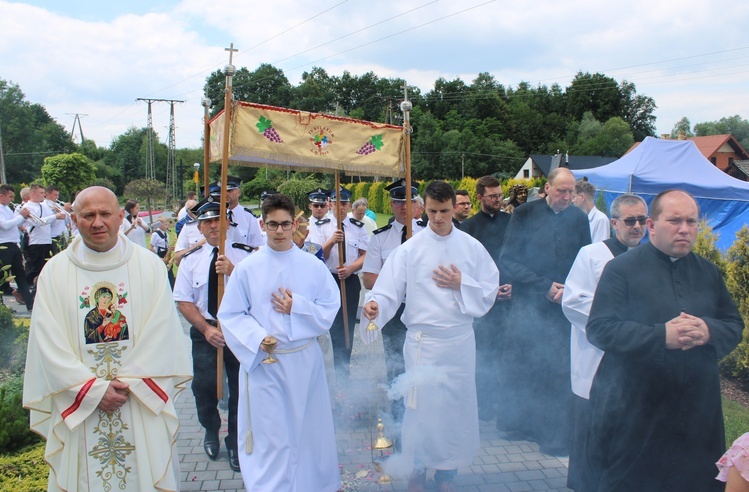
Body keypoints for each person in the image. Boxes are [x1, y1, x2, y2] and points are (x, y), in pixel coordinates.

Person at [22, 186, 192, 491]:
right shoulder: (54, 273)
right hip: (82, 407)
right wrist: (92, 391)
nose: (97, 222)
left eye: (105, 214)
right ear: (74, 219)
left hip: (137, 399)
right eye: (88, 215)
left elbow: (162, 331)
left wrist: (124, 385)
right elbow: (48, 342)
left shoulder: (149, 266)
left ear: (119, 217)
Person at [584, 189, 743, 492]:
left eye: (692, 221)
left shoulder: (709, 273)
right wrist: (661, 336)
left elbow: (734, 325)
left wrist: (708, 330)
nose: (685, 229)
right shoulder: (621, 270)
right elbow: (600, 329)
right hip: (636, 408)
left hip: (698, 410)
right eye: (675, 221)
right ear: (652, 225)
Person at [362, 181, 498, 492]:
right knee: (420, 409)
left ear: (455, 208)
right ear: (424, 208)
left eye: (445, 211)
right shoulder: (409, 249)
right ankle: (418, 469)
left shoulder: (471, 247)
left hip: (459, 341)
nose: (438, 218)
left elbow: (489, 289)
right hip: (423, 342)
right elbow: (387, 289)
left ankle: (447, 473)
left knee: (455, 408)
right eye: (433, 211)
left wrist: (461, 282)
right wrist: (375, 305)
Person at [218, 193, 341, 491]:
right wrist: (258, 338)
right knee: (273, 435)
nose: (279, 231)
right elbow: (231, 314)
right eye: (272, 225)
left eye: (286, 224)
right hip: (266, 365)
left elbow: (329, 308)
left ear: (296, 223)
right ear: (262, 223)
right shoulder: (247, 267)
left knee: (308, 431)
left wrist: (296, 306)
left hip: (303, 362)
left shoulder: (312, 265)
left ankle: (310, 485)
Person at [499, 167, 591, 455]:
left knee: (556, 369)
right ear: (547, 189)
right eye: (562, 190)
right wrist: (543, 286)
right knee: (525, 365)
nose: (567, 196)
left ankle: (551, 433)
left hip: (564, 307)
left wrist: (569, 290)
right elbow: (508, 261)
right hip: (529, 304)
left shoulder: (578, 218)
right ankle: (519, 424)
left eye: (571, 191)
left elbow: (585, 260)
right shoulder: (524, 214)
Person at [561, 194, 648, 490]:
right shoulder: (591, 254)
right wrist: (617, 323)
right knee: (593, 435)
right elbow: (572, 302)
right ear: (614, 223)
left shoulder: (652, 258)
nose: (637, 226)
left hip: (636, 361)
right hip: (596, 356)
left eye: (642, 220)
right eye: (630, 220)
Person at [174, 199, 254, 473]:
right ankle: (210, 429)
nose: (212, 226)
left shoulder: (245, 256)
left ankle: (234, 442)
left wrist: (234, 272)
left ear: (228, 224)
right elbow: (184, 301)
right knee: (204, 386)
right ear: (199, 227)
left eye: (217, 220)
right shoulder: (191, 260)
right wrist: (206, 329)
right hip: (206, 330)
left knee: (240, 390)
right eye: (206, 221)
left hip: (238, 330)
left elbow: (258, 294)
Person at [361, 178, 425, 425]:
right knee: (397, 367)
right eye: (397, 201)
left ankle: (423, 421)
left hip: (424, 310)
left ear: (418, 204)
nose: (403, 206)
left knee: (423, 365)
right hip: (395, 311)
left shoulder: (429, 234)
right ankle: (399, 424)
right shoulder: (381, 238)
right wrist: (396, 281)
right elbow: (368, 279)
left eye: (408, 200)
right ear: (391, 204)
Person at [459, 176, 513, 422]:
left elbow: (518, 256)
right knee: (483, 354)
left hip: (510, 297)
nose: (498, 200)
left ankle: (505, 403)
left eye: (500, 195)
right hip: (481, 302)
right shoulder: (468, 228)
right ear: (479, 197)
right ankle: (482, 403)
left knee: (507, 353)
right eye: (493, 196)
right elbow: (466, 268)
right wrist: (488, 291)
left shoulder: (512, 222)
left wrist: (511, 285)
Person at [307, 186, 368, 381]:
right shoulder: (319, 226)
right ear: (330, 204)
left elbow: (366, 255)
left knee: (347, 326)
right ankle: (326, 372)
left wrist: (351, 269)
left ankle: (343, 372)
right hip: (327, 282)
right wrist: (332, 241)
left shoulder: (357, 227)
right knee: (328, 327)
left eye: (344, 203)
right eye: (336, 203)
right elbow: (313, 256)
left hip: (348, 281)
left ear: (348, 205)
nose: (340, 207)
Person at [23, 183, 65, 294]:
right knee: (35, 268)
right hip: (36, 241)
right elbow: (37, 222)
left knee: (46, 267)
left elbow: (51, 221)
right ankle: (22, 287)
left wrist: (60, 212)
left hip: (47, 240)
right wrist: (55, 216)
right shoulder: (28, 207)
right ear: (33, 193)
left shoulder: (43, 206)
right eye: (41, 193)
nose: (43, 195)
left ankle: (38, 291)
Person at [0, 184, 34, 311]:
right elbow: (5, 225)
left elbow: (15, 224)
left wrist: (24, 217)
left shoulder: (7, 209)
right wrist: (21, 216)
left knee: (20, 275)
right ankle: (1, 306)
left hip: (13, 245)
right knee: (2, 276)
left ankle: (30, 303)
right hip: (3, 245)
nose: (12, 199)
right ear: (1, 196)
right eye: (10, 196)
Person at [45, 185, 71, 254]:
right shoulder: (45, 205)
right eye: (55, 195)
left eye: (57, 195)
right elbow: (48, 220)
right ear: (47, 194)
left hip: (62, 235)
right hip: (53, 236)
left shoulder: (58, 205)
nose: (57, 197)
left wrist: (68, 212)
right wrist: (64, 210)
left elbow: (65, 221)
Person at [150, 219, 175, 288]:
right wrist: (159, 258)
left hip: (166, 254)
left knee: (170, 274)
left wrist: (170, 248)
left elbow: (165, 245)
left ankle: (172, 288)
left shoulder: (166, 234)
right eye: (165, 224)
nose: (167, 226)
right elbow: (151, 247)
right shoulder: (155, 234)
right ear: (160, 225)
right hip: (160, 255)